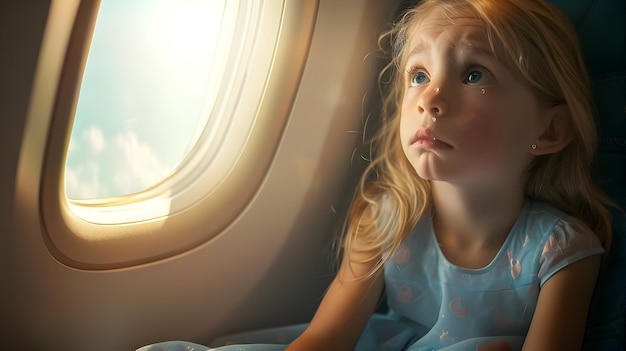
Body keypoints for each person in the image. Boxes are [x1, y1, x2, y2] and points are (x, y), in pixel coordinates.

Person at [137, 0, 616, 350]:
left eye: (474, 75)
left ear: (550, 129)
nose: (429, 100)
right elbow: (326, 338)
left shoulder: (560, 251)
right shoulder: (388, 219)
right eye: (418, 75)